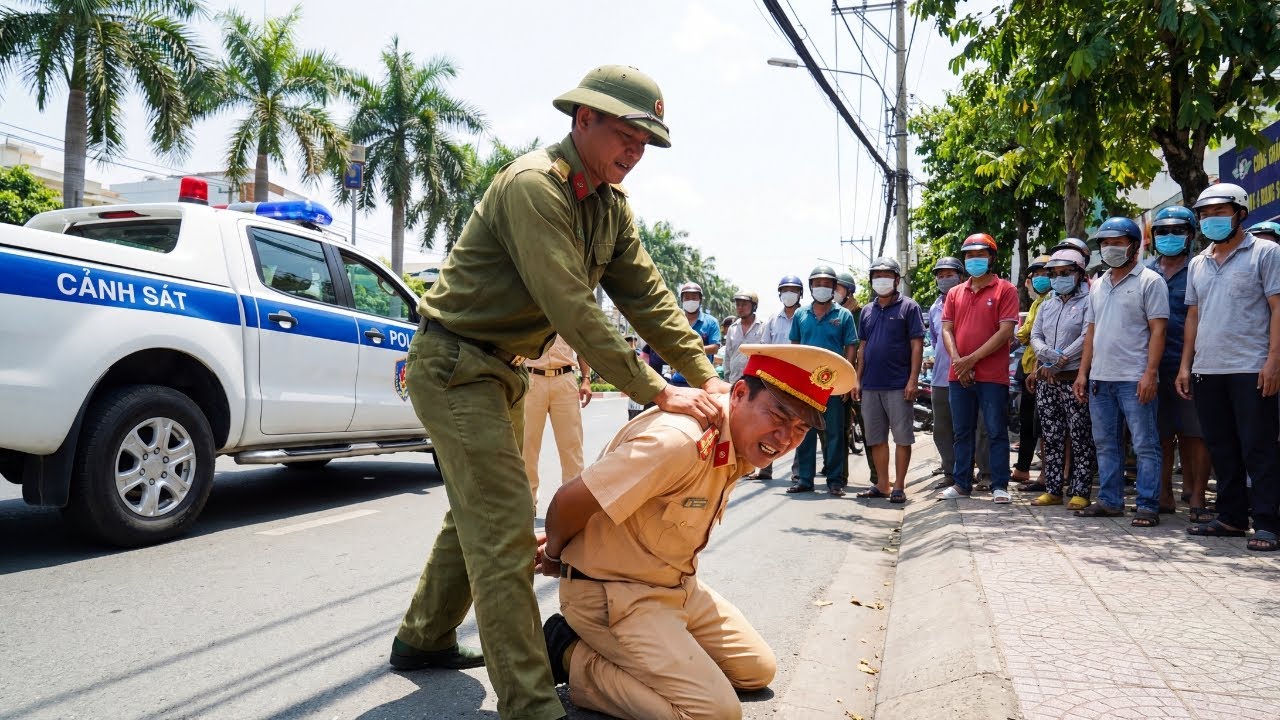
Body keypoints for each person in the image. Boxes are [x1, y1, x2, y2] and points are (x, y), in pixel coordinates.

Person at [392, 65, 729, 720]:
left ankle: (424, 637)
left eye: (645, 142)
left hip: (502, 367)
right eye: (627, 135)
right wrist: (658, 390)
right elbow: (572, 306)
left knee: (479, 509)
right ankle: (530, 705)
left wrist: (706, 375)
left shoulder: (610, 207)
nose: (635, 151)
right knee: (504, 528)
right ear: (584, 119)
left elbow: (648, 298)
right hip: (454, 362)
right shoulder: (534, 186)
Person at [536, 344, 856, 720]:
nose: (785, 438)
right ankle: (570, 652)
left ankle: (655, 655)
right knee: (715, 714)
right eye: (778, 415)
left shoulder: (737, 432)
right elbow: (569, 500)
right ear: (740, 393)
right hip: (613, 595)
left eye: (800, 428)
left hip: (676, 586)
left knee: (757, 671)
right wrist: (555, 554)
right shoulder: (679, 440)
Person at [1178, 184, 1280, 552]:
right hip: (1208, 368)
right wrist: (1186, 365)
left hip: (1252, 366)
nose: (1211, 220)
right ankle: (1231, 518)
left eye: (1219, 213)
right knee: (1221, 447)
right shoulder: (1199, 262)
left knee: (1259, 447)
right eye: (1205, 215)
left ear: (1240, 213)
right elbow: (1193, 316)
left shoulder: (1266, 252)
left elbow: (1277, 307)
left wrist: (1274, 360)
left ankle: (1267, 523)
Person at [1072, 217, 1169, 527]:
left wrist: (1150, 373)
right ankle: (1110, 501)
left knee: (1145, 444)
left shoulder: (1150, 281)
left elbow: (1158, 331)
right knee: (1105, 443)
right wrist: (1083, 373)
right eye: (1105, 243)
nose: (1109, 248)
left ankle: (1147, 505)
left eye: (1117, 243)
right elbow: (1091, 332)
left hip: (1134, 378)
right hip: (1101, 379)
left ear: (1134, 246)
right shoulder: (1098, 285)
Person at [937, 233, 1019, 503]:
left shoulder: (1005, 289)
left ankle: (999, 485)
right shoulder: (955, 293)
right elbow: (947, 329)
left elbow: (1005, 332)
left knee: (996, 430)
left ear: (991, 258)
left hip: (993, 376)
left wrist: (970, 360)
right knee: (962, 431)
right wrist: (959, 362)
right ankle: (961, 484)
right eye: (970, 255)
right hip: (958, 375)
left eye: (980, 255)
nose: (975, 260)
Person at [1147, 205, 1212, 522]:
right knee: (1158, 434)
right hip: (1152, 368)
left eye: (1177, 231)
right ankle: (1163, 495)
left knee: (1195, 433)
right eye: (1163, 231)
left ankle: (1197, 496)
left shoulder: (1201, 269)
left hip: (1193, 365)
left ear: (1190, 235)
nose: (1169, 236)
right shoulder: (1146, 272)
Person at [852, 257, 924, 503]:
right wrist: (857, 380)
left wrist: (913, 380)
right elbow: (863, 347)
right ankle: (882, 484)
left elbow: (916, 345)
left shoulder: (909, 307)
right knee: (876, 438)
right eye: (876, 276)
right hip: (871, 385)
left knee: (902, 437)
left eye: (886, 275)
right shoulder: (867, 311)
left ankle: (899, 486)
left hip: (898, 385)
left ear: (896, 279)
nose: (881, 280)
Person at [1029, 249, 1095, 509]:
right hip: (1048, 380)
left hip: (1074, 378)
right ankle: (1053, 489)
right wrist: (1047, 356)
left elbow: (1087, 335)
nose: (1059, 278)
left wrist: (1060, 359)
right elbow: (1035, 335)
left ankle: (1080, 490)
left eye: (1065, 272)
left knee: (1080, 436)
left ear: (1078, 273)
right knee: (1052, 435)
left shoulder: (1090, 301)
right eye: (1054, 274)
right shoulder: (1048, 304)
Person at [788, 265, 860, 496]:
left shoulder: (843, 315)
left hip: (834, 384)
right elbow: (795, 347)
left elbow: (851, 347)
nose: (822, 287)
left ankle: (835, 480)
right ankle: (804, 479)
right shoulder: (801, 315)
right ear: (811, 287)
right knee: (805, 431)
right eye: (817, 283)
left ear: (834, 287)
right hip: (805, 384)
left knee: (835, 433)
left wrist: (847, 380)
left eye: (827, 284)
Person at [523, 335, 593, 503]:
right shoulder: (527, 316)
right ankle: (527, 502)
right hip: (531, 378)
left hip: (564, 378)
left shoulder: (567, 317)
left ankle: (573, 503)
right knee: (527, 446)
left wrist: (586, 379)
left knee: (572, 446)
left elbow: (581, 345)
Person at [751, 275, 805, 480]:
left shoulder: (805, 317)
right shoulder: (773, 320)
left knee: (798, 425)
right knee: (771, 422)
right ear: (780, 294)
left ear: (800, 294)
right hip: (775, 379)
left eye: (793, 290)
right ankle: (765, 468)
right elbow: (765, 348)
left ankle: (799, 472)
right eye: (785, 290)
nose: (789, 294)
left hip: (799, 378)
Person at [1012, 254, 1052, 485]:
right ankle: (1023, 469)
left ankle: (1047, 474)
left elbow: (1029, 334)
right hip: (1028, 367)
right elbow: (1024, 334)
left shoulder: (1052, 300)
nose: (1040, 278)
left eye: (1045, 273)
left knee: (1042, 424)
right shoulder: (1037, 302)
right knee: (1028, 422)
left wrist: (1026, 335)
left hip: (1043, 369)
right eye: (1036, 274)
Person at [927, 256, 965, 490]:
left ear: (960, 277)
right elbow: (935, 340)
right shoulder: (934, 308)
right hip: (941, 377)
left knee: (968, 428)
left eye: (949, 275)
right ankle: (950, 472)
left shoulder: (968, 301)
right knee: (942, 429)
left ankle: (976, 473)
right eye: (940, 276)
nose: (944, 279)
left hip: (967, 374)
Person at [670, 281, 722, 387]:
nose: (690, 301)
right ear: (682, 300)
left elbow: (715, 348)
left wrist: (690, 350)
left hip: (702, 380)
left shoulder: (711, 322)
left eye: (694, 298)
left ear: (700, 300)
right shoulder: (675, 321)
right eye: (687, 298)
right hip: (678, 379)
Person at [723, 291, 765, 386]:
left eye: (744, 304)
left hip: (756, 381)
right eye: (738, 304)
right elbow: (727, 356)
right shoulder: (732, 328)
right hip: (734, 380)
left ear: (754, 306)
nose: (740, 307)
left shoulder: (763, 327)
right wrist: (726, 378)